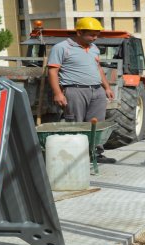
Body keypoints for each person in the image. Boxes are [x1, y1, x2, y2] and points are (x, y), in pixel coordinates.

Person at [47, 17, 117, 164]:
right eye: (91, 34)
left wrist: (107, 87)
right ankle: (76, 156)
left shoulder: (94, 49)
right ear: (79, 32)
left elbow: (98, 69)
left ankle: (95, 154)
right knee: (76, 124)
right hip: (74, 91)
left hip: (97, 91)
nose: (95, 38)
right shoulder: (61, 48)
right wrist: (58, 93)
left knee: (96, 124)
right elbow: (53, 71)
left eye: (97, 34)